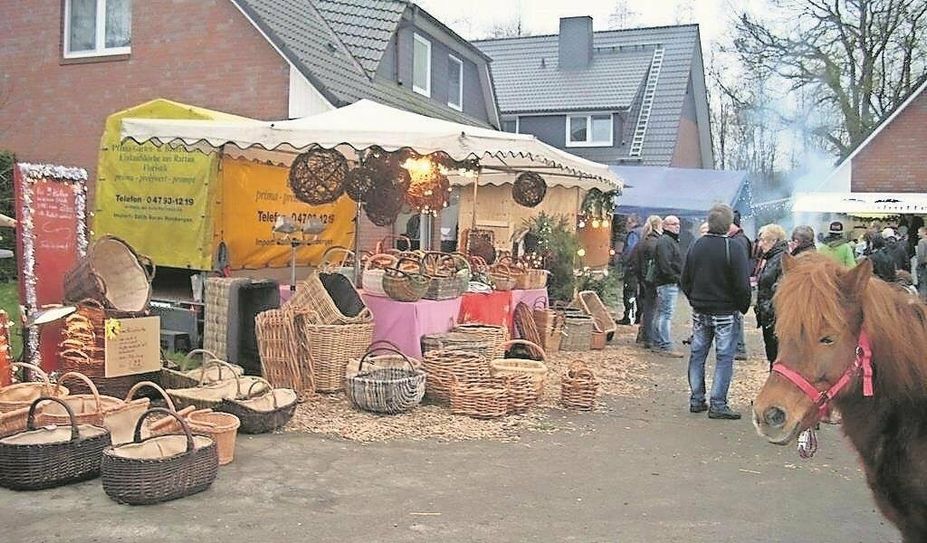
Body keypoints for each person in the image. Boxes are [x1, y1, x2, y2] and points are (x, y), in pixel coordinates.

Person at [681, 204, 751, 420]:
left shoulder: (696, 245)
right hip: (725, 311)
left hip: (700, 309)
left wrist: (694, 298)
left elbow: (685, 278)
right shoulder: (734, 248)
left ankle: (696, 399)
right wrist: (743, 306)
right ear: (728, 225)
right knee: (724, 358)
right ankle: (718, 403)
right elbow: (742, 284)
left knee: (697, 355)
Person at [753, 224, 789, 367]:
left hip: (774, 316)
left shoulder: (781, 259)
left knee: (776, 356)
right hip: (767, 314)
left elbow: (780, 287)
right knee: (772, 355)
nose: (760, 244)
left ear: (774, 240)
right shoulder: (771, 258)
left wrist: (769, 310)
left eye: (763, 240)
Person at [653, 215, 684, 357]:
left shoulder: (669, 241)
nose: (677, 226)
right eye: (673, 224)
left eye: (678, 223)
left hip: (665, 282)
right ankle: (665, 344)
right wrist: (675, 277)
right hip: (667, 283)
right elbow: (665, 264)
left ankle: (658, 341)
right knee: (666, 314)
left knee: (661, 313)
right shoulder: (666, 241)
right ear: (665, 226)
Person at [632, 215, 663, 348]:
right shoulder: (656, 243)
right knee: (653, 309)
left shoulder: (642, 241)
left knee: (646, 308)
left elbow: (633, 261)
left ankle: (644, 335)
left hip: (643, 279)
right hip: (652, 280)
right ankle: (650, 338)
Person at [727, 211, 751, 361]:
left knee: (736, 317)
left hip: (736, 283)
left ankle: (740, 348)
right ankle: (737, 346)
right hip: (737, 282)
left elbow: (739, 265)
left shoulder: (739, 241)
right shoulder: (740, 239)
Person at [617, 215, 642, 325]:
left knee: (629, 293)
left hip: (632, 268)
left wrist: (625, 261)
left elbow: (630, 250)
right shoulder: (644, 232)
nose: (626, 224)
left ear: (633, 222)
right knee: (639, 294)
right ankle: (638, 317)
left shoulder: (633, 234)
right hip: (641, 269)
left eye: (628, 222)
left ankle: (629, 317)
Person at [916, 226, 927, 301]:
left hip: (923, 268)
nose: (917, 234)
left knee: (923, 286)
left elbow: (921, 257)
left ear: (924, 232)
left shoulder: (922, 242)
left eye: (919, 232)